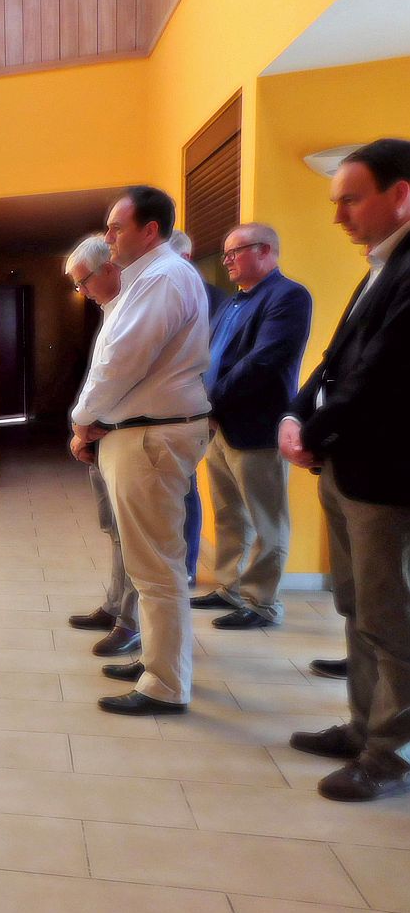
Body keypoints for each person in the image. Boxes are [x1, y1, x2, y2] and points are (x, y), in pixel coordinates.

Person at [281, 138, 410, 802]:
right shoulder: (377, 266)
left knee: (390, 621)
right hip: (346, 466)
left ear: (401, 194)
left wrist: (314, 429)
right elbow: (334, 361)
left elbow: (382, 374)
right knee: (357, 608)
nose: (338, 216)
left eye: (350, 199)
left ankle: (389, 754)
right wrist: (296, 414)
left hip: (386, 476)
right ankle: (363, 727)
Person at [70, 186, 210, 716]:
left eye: (116, 228)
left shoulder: (162, 277)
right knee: (146, 563)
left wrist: (83, 423)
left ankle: (165, 684)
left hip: (151, 436)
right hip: (138, 433)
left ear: (150, 230)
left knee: (155, 568)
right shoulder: (145, 279)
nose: (108, 238)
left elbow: (120, 365)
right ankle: (156, 659)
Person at [190, 224, 312, 630]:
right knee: (228, 514)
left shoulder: (288, 297)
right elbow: (212, 356)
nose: (226, 260)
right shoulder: (231, 303)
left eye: (234, 251)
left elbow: (263, 362)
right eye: (225, 252)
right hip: (221, 424)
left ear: (266, 251)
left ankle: (261, 603)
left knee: (266, 519)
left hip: (258, 426)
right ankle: (228, 587)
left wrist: (210, 400)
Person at [63, 236, 140, 659]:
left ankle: (131, 622)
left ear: (110, 268)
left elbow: (115, 376)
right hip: (104, 439)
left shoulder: (136, 307)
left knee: (133, 539)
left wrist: (82, 424)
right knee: (114, 531)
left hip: (123, 438)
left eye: (85, 281)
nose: (83, 292)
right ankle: (115, 605)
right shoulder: (112, 310)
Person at [171, 230, 228, 586]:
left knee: (187, 489)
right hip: (167, 410)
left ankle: (188, 566)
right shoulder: (160, 296)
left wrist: (209, 407)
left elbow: (217, 359)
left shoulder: (218, 301)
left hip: (198, 409)